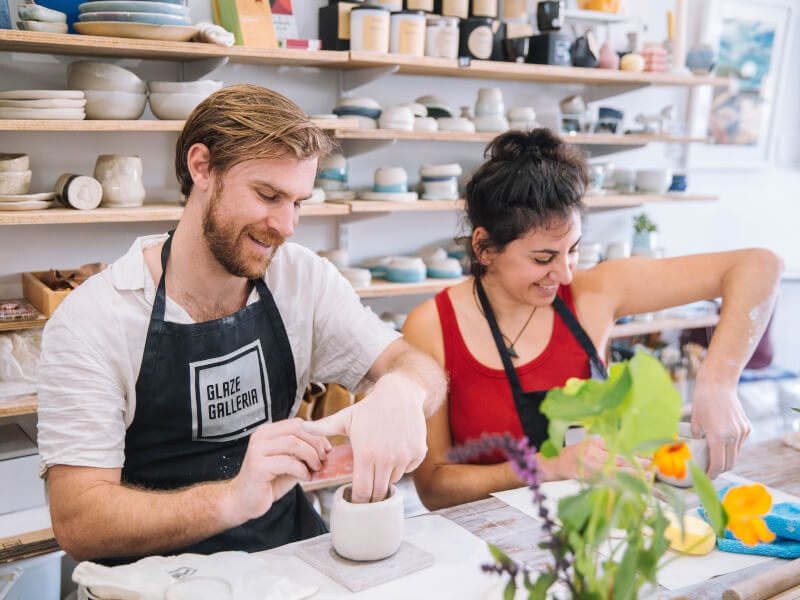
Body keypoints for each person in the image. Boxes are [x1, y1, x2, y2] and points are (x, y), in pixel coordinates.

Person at [37, 84, 447, 563]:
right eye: (268, 195)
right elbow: (80, 522)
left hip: (285, 558)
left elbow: (419, 368)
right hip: (151, 582)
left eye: (298, 202)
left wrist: (402, 391)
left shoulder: (302, 279)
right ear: (202, 167)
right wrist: (234, 498)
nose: (287, 225)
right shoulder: (93, 320)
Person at [403, 128, 783, 510]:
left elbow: (759, 266)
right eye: (543, 258)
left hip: (599, 524)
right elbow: (434, 487)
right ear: (484, 247)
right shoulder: (431, 328)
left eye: (573, 250)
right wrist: (546, 468)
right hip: (488, 544)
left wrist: (718, 383)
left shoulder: (593, 294)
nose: (565, 274)